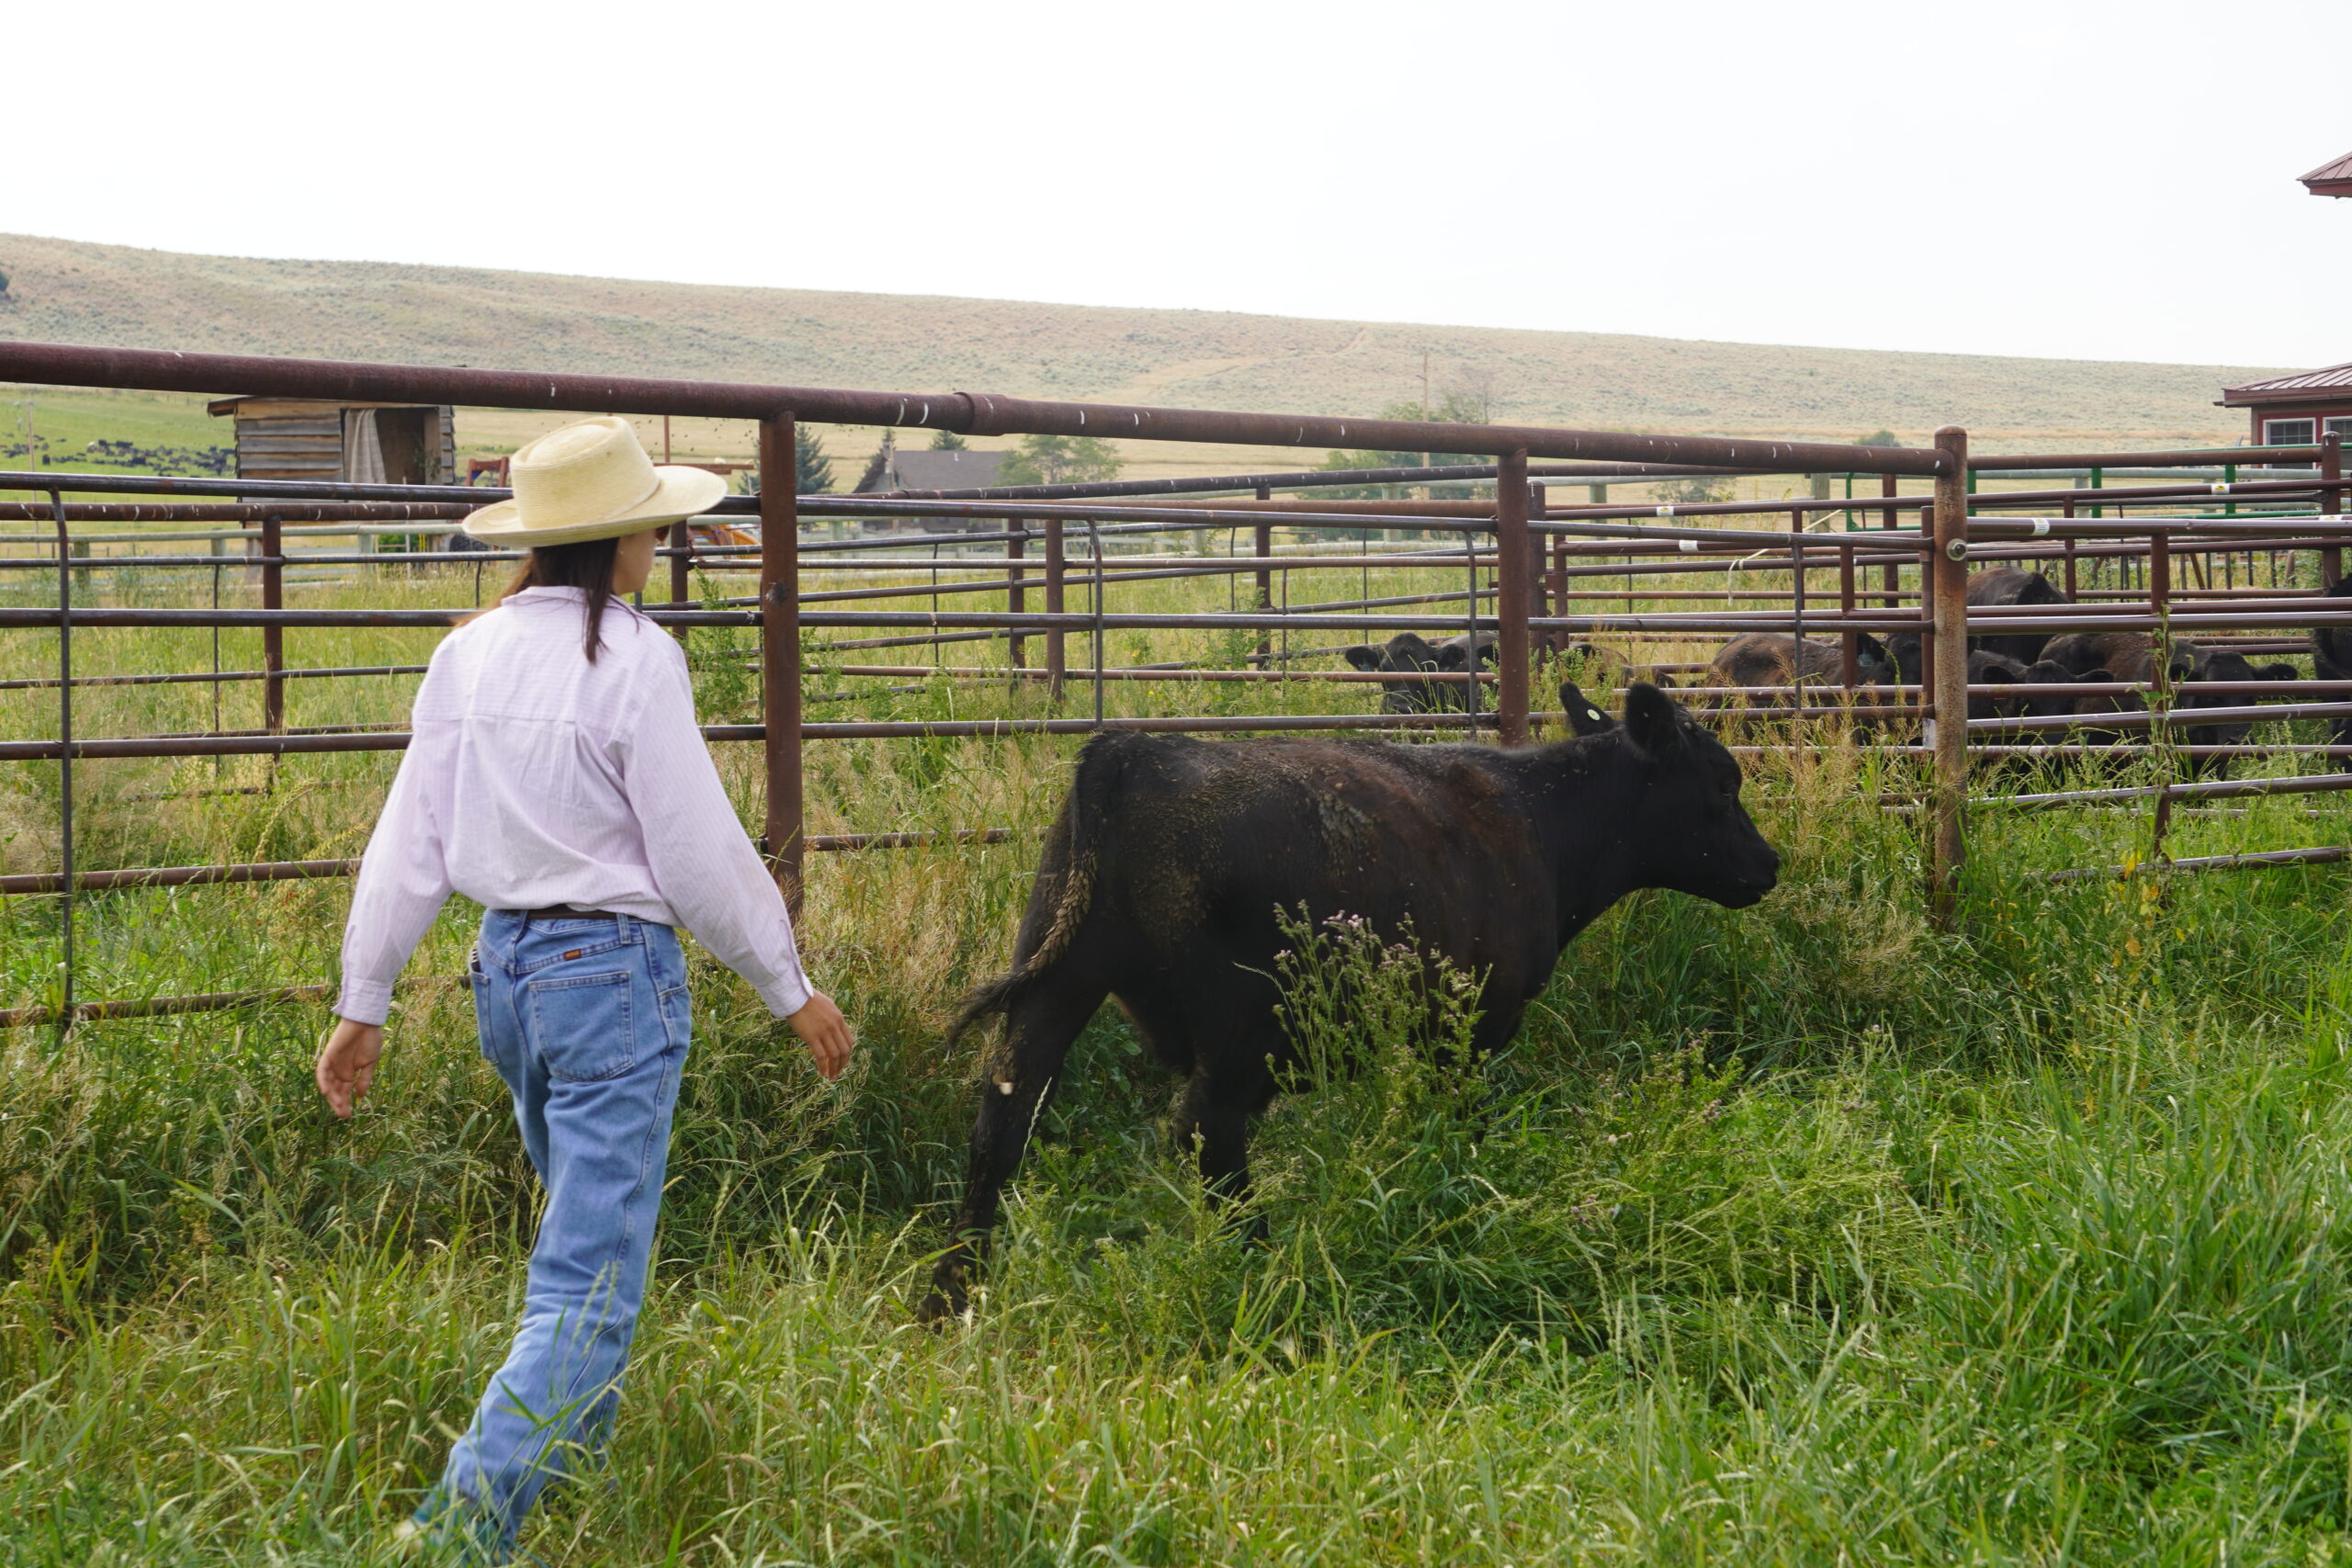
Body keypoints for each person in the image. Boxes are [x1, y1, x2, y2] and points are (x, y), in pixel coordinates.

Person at [313, 415, 854, 1557]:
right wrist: (786, 981)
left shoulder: (468, 652)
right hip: (609, 976)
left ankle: (565, 1489)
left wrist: (364, 999)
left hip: (505, 974)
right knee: (588, 1281)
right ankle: (458, 1530)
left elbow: (408, 837)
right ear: (626, 535)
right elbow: (697, 850)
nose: (657, 542)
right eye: (651, 525)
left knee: (579, 1242)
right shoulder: (635, 657)